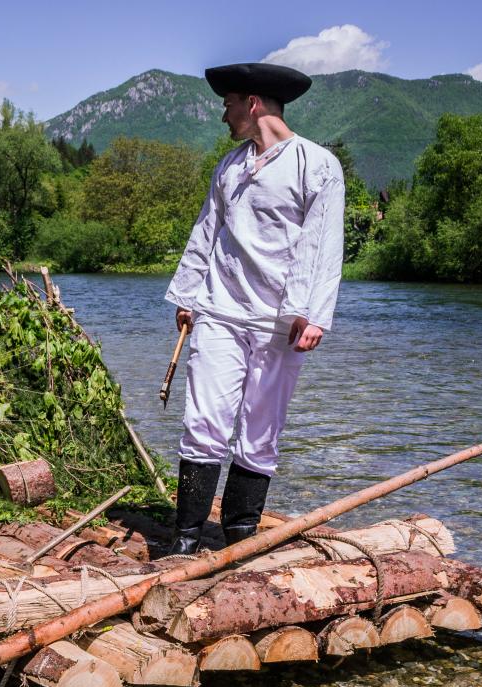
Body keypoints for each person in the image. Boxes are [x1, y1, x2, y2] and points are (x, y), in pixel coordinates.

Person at [165, 63, 345, 554]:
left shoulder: (317, 164)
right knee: (203, 421)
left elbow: (325, 244)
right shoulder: (230, 166)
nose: (223, 114)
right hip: (221, 310)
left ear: (252, 103)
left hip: (280, 321)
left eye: (228, 104)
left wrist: (314, 316)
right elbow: (207, 230)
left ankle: (239, 540)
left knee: (261, 430)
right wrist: (187, 295)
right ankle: (185, 539)